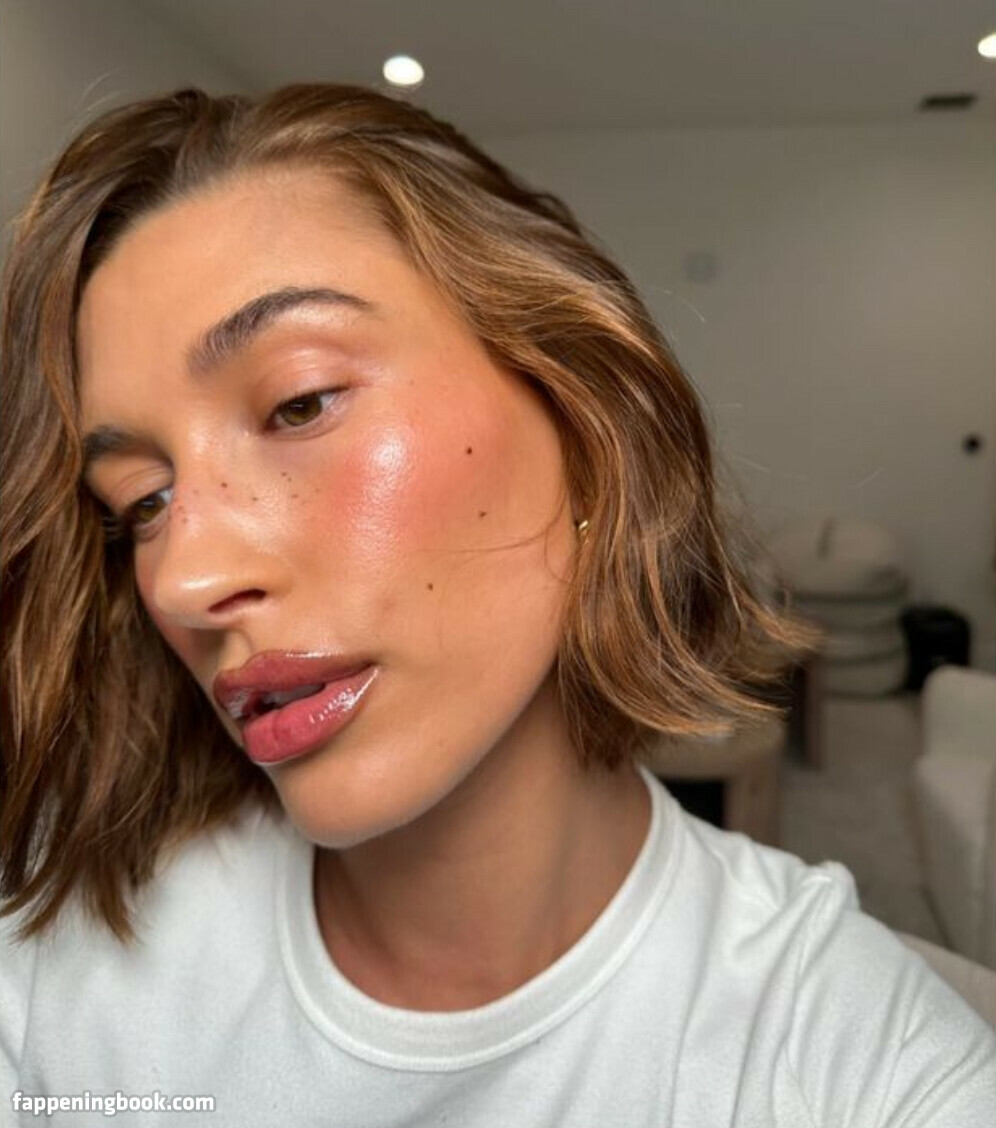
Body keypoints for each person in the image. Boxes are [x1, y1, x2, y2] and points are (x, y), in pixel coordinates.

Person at [0, 84, 992, 1127]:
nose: (184, 579)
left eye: (299, 404)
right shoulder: (53, 989)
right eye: (141, 503)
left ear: (582, 416)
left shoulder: (864, 1065)